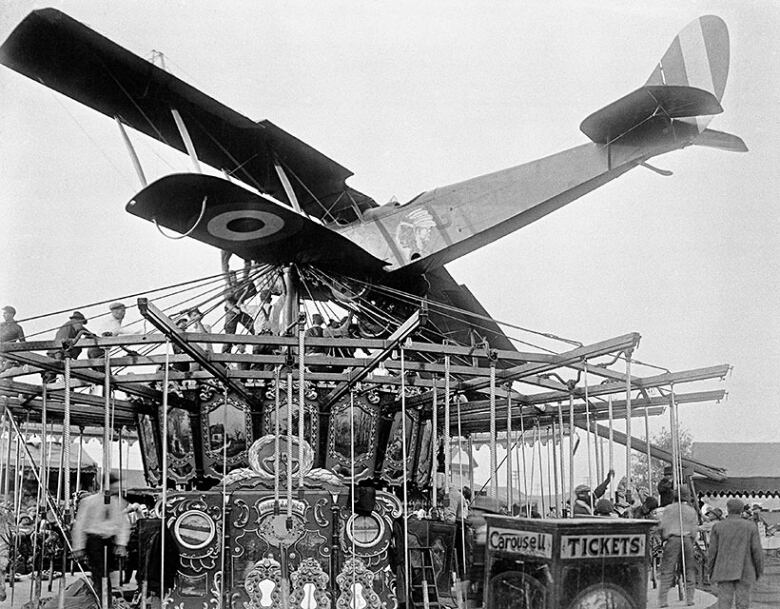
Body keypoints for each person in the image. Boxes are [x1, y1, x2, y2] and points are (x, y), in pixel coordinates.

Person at [72, 473, 131, 603]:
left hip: (110, 541)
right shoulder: (89, 502)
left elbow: (123, 525)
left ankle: (105, 598)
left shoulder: (117, 503)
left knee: (108, 573)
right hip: (94, 541)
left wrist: (121, 544)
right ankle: (103, 600)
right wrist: (78, 546)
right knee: (100, 573)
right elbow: (80, 525)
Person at [707, 498, 763, 609]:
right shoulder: (750, 526)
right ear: (742, 510)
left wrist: (710, 570)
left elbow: (712, 552)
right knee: (743, 603)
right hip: (745, 569)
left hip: (723, 569)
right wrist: (759, 570)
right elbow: (757, 551)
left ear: (727, 509)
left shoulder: (718, 527)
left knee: (724, 603)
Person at [658, 486, 698, 607]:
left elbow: (663, 526)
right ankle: (690, 598)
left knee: (667, 569)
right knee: (689, 569)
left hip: (673, 539)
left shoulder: (668, 509)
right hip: (687, 539)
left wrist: (663, 538)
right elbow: (694, 531)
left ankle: (663, 600)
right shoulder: (691, 511)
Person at [0, 305, 25, 373]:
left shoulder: (17, 327)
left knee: (7, 372)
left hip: (10, 353)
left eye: (5, 313)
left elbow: (23, 344)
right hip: (0, 352)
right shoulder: (1, 326)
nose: (3, 315)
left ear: (11, 314)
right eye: (3, 313)